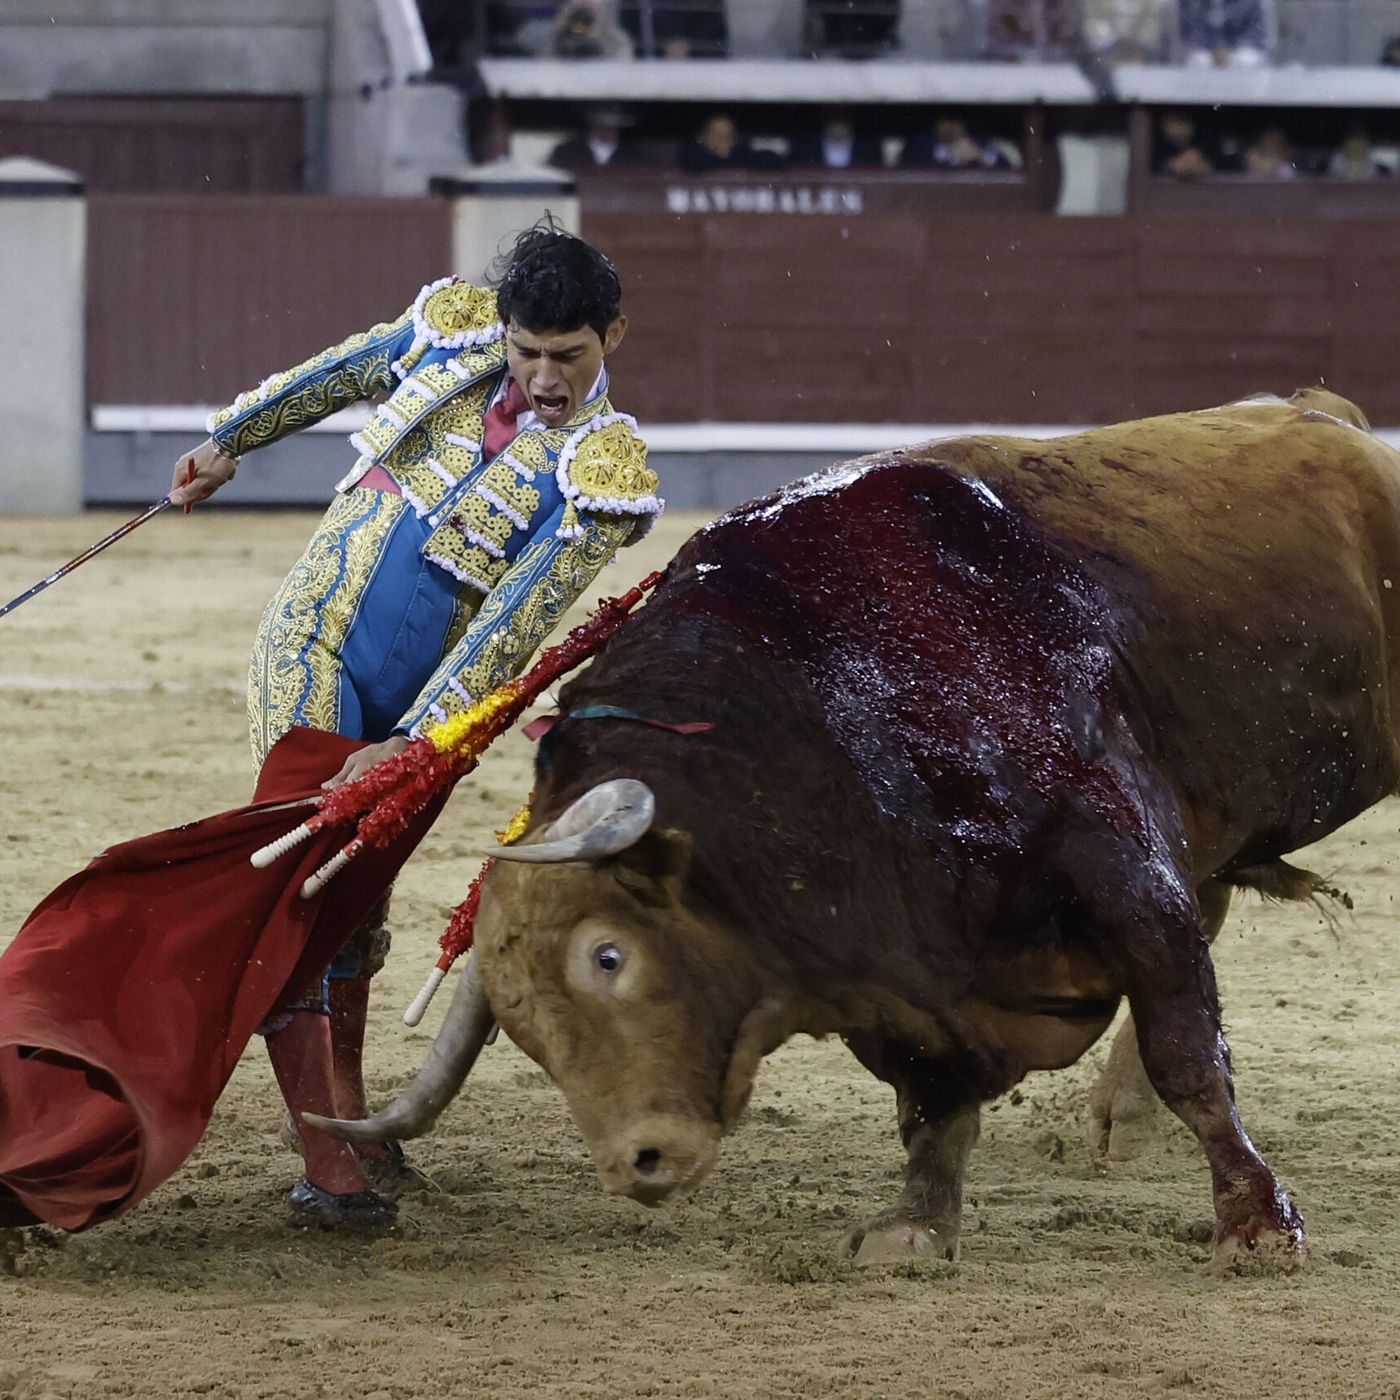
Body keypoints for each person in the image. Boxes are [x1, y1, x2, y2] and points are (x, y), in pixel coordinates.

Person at [168, 221, 660, 1227]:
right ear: (505, 328)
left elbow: (513, 627)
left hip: (422, 707)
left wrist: (424, 736)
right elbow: (337, 372)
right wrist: (229, 440)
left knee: (353, 905)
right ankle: (329, 1163)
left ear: (612, 334)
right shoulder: (451, 333)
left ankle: (345, 1122)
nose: (543, 372)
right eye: (528, 349)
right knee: (302, 873)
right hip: (310, 636)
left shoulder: (598, 472)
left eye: (567, 353)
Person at [548, 104, 649, 169]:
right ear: (592, 125)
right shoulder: (566, 151)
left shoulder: (633, 153)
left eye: (612, 126)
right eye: (602, 125)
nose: (607, 130)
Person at [677, 113, 785, 173]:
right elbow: (691, 163)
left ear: (735, 138)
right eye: (715, 134)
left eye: (727, 135)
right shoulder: (691, 157)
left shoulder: (744, 155)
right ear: (702, 137)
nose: (721, 139)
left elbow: (773, 160)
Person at [788, 108, 884, 169]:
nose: (837, 125)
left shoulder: (869, 148)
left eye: (842, 117)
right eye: (833, 116)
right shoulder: (804, 147)